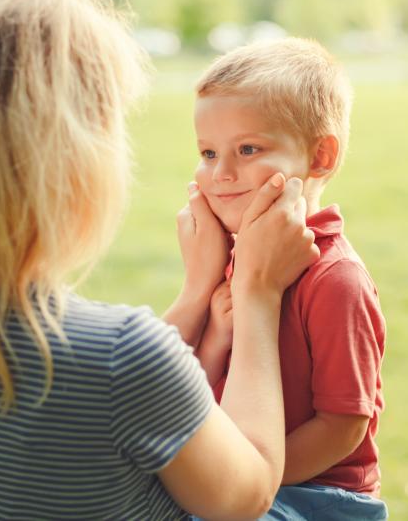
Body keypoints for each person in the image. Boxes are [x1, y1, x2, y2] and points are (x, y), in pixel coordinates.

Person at [0, 0, 320, 520]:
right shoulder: (120, 356)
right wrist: (257, 290)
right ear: (65, 154)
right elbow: (248, 493)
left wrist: (194, 295)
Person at [162, 39, 388, 520]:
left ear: (320, 156)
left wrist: (249, 478)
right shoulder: (233, 257)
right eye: (208, 152)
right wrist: (213, 333)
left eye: (247, 149)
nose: (221, 173)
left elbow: (343, 425)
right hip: (234, 476)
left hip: (316, 497)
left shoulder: (335, 279)